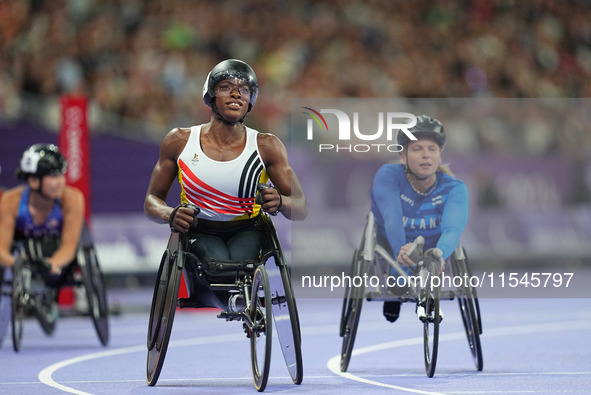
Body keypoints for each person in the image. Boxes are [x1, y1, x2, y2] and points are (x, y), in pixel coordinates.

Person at [144, 59, 307, 307]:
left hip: (247, 229)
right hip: (200, 229)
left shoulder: (267, 146)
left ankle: (238, 300)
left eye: (244, 90)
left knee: (240, 268)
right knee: (217, 268)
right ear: (210, 95)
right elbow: (151, 200)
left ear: (250, 100)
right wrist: (170, 213)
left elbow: (301, 207)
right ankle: (231, 301)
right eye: (226, 87)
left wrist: (282, 201)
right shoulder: (179, 141)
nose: (235, 94)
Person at [370, 115, 469, 323]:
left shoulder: (455, 188)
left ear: (439, 155)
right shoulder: (388, 175)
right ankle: (397, 282)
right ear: (403, 156)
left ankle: (420, 288)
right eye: (417, 149)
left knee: (431, 257)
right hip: (392, 246)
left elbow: (452, 229)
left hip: (432, 251)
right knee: (402, 267)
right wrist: (400, 249)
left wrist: (440, 255)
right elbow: (392, 215)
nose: (426, 155)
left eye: (432, 149)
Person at [0, 144, 85, 320]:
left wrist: (53, 263)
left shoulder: (73, 199)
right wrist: (15, 264)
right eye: (53, 176)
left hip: (56, 248)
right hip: (25, 246)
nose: (61, 181)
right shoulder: (10, 201)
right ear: (33, 181)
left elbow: (69, 247)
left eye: (62, 174)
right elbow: (2, 248)